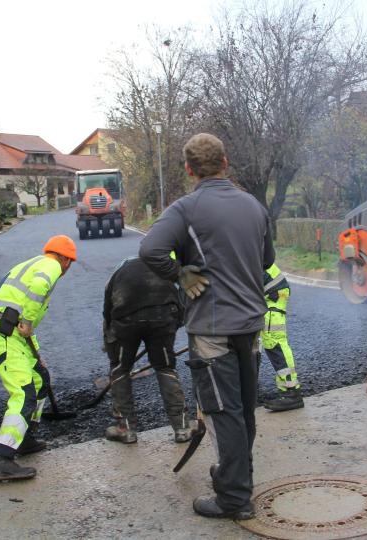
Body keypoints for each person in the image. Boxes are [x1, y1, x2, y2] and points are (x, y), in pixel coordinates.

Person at [140, 133, 274, 520]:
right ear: (225, 162)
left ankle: (234, 498)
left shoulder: (186, 209)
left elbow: (149, 250)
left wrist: (179, 273)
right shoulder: (253, 206)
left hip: (212, 331)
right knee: (244, 409)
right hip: (251, 325)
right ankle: (237, 477)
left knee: (223, 411)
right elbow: (266, 260)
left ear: (188, 168)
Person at [0, 235, 77, 481]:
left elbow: (22, 319)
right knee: (23, 392)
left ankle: (25, 439)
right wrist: (28, 321)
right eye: (70, 263)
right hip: (2, 333)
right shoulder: (50, 266)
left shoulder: (33, 264)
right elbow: (36, 293)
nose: (67, 269)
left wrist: (37, 353)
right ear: (65, 259)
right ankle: (1, 459)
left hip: (10, 333)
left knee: (40, 379)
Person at [102, 256, 190, 444]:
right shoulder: (162, 267)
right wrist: (174, 324)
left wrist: (110, 343)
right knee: (165, 368)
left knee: (120, 369)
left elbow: (107, 309)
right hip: (164, 317)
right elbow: (181, 294)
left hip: (126, 321)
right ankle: (182, 428)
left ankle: (126, 429)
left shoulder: (118, 273)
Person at [260, 263, 303, 412]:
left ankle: (292, 392)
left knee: (274, 340)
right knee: (268, 339)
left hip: (273, 292)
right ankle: (285, 389)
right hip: (265, 289)